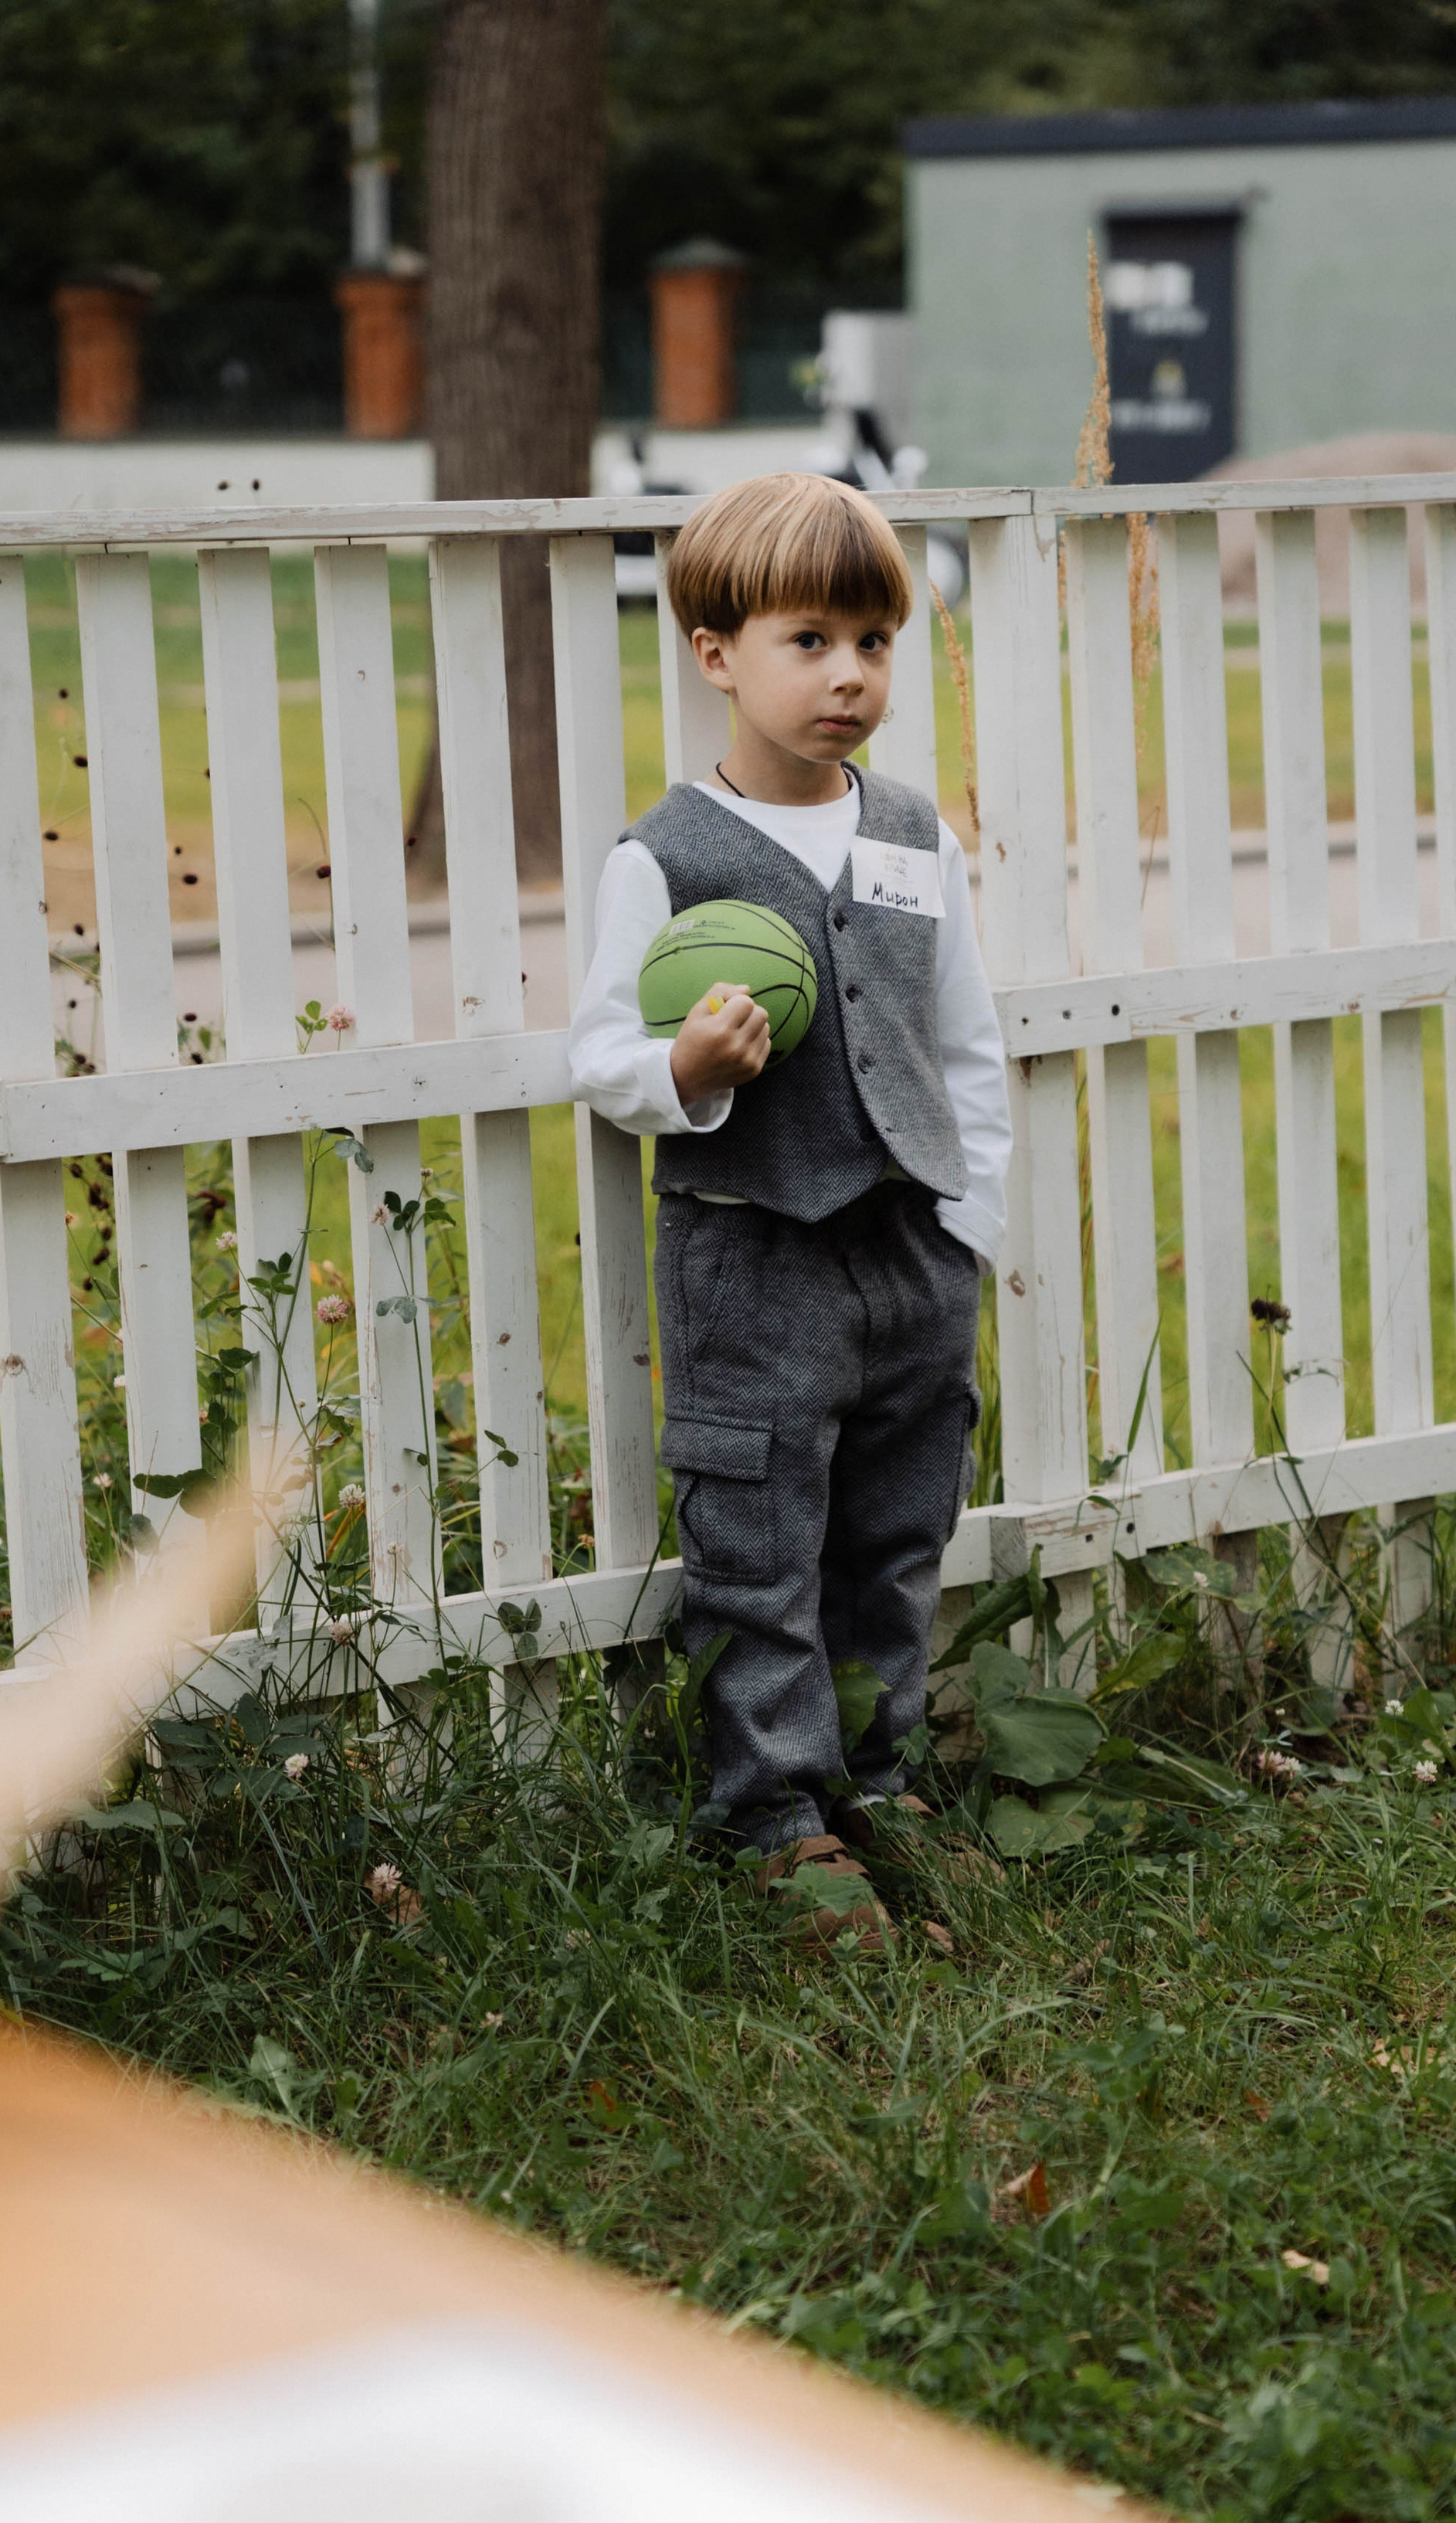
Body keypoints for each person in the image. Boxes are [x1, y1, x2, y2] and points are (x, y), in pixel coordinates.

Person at [568, 471, 1013, 1852]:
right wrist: (686, 1074)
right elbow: (597, 1055)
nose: (850, 676)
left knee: (895, 1537)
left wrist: (968, 1222)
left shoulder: (910, 835)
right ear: (717, 654)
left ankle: (878, 1788)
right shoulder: (669, 858)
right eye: (808, 641)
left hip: (908, 1256)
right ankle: (774, 1824)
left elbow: (965, 1041)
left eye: (873, 643)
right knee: (759, 1554)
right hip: (752, 1256)